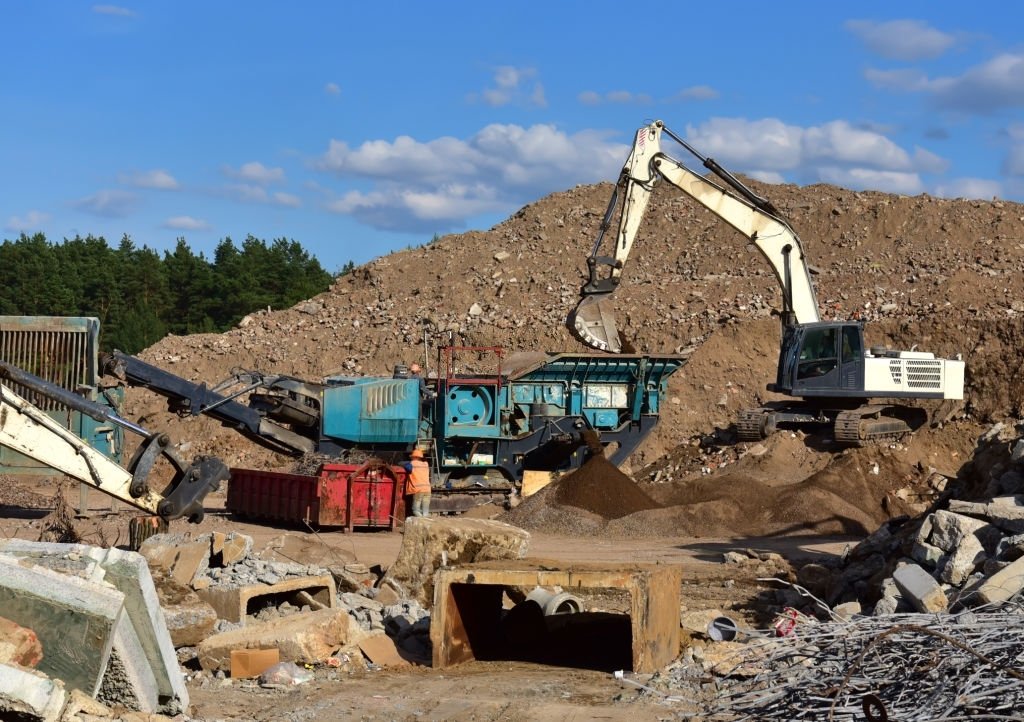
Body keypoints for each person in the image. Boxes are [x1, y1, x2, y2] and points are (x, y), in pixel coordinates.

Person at [403, 448, 431, 518]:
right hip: (427, 489)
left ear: (414, 457)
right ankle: (425, 520)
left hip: (418, 490)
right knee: (425, 511)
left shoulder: (411, 464)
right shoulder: (425, 464)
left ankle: (420, 521)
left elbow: (406, 467)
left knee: (416, 510)